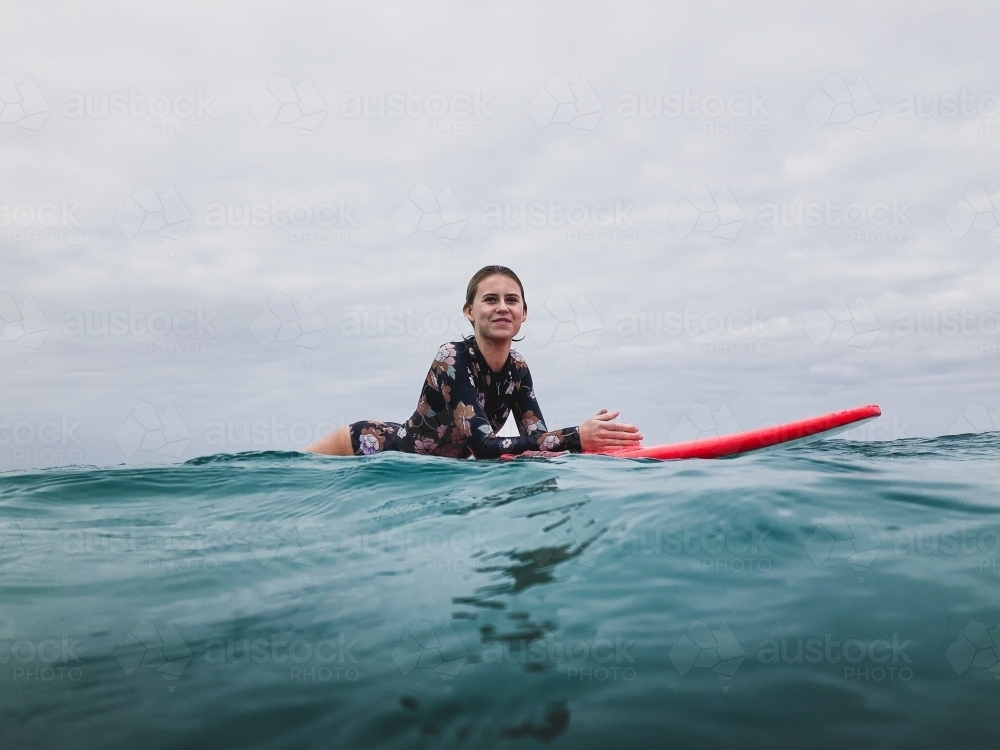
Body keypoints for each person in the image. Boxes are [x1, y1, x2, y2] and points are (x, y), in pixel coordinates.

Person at [304, 266, 642, 458]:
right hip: (367, 447)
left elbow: (535, 439)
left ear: (523, 314)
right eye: (490, 299)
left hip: (429, 470)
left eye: (512, 300)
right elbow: (482, 445)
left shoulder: (518, 369)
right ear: (470, 311)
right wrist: (575, 436)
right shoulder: (451, 358)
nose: (502, 307)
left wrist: (592, 444)